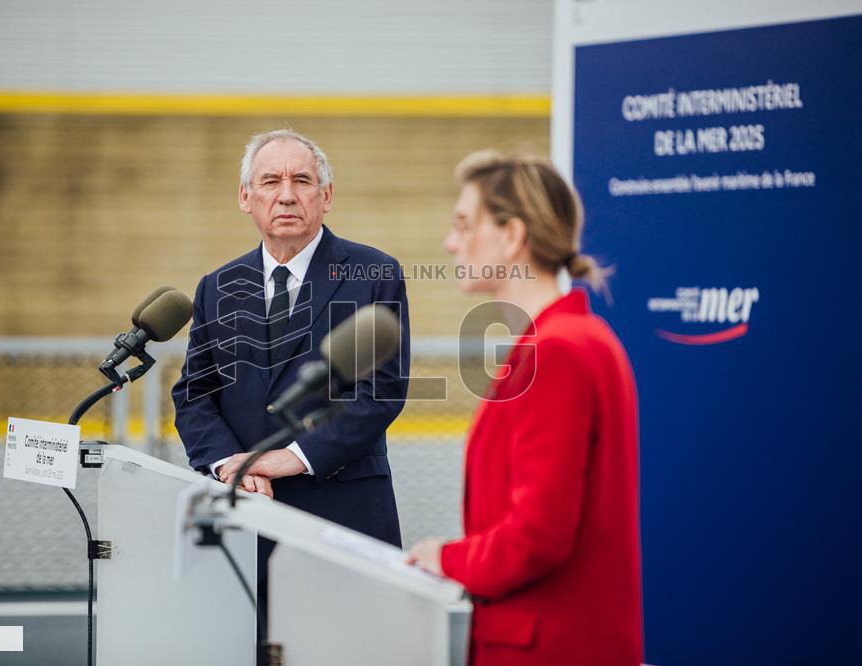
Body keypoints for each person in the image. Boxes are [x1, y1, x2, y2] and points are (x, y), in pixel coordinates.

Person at [407, 150, 642, 665]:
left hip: (545, 648)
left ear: (512, 236)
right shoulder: (576, 339)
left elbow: (539, 534)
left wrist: (446, 558)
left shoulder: (557, 352)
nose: (450, 244)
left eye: (464, 225)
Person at [171, 129, 409, 632]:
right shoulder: (216, 287)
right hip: (248, 516)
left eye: (302, 180)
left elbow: (379, 392)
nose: (286, 194)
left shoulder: (373, 273)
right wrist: (230, 466)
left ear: (326, 196)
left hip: (344, 513)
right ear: (245, 197)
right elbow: (194, 396)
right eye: (270, 181)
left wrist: (294, 456)